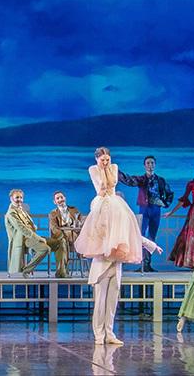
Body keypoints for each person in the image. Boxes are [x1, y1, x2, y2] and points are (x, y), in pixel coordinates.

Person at [74, 147, 161, 344]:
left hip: (116, 262)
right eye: (102, 159)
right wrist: (102, 169)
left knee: (113, 300)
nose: (106, 162)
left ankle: (110, 333)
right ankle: (99, 334)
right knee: (100, 301)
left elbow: (131, 232)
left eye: (108, 159)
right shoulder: (94, 175)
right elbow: (102, 187)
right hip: (102, 262)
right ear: (97, 159)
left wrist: (150, 245)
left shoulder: (118, 206)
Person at [118, 156, 174, 272]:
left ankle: (147, 264)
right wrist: (116, 172)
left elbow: (170, 194)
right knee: (140, 236)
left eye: (152, 163)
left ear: (155, 165)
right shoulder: (141, 179)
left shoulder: (160, 180)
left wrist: (164, 203)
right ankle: (141, 263)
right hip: (144, 209)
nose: (150, 165)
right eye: (148, 163)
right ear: (144, 165)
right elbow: (129, 180)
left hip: (156, 210)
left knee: (152, 236)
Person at [5, 189, 64, 277]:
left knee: (59, 243)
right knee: (45, 249)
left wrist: (33, 226)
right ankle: (26, 270)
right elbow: (22, 229)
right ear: (11, 198)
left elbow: (28, 224)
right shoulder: (11, 213)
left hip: (32, 236)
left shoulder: (21, 209)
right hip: (23, 239)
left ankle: (61, 272)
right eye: (17, 197)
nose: (19, 199)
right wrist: (39, 238)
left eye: (21, 197)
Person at [48, 191, 83, 278]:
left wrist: (79, 224)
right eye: (58, 198)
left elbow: (81, 221)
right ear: (54, 202)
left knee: (74, 239)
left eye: (61, 197)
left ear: (65, 198)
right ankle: (63, 271)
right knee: (62, 242)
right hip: (60, 235)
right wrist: (63, 235)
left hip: (73, 234)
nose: (60, 200)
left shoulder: (74, 209)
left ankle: (63, 271)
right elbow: (54, 228)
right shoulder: (53, 213)